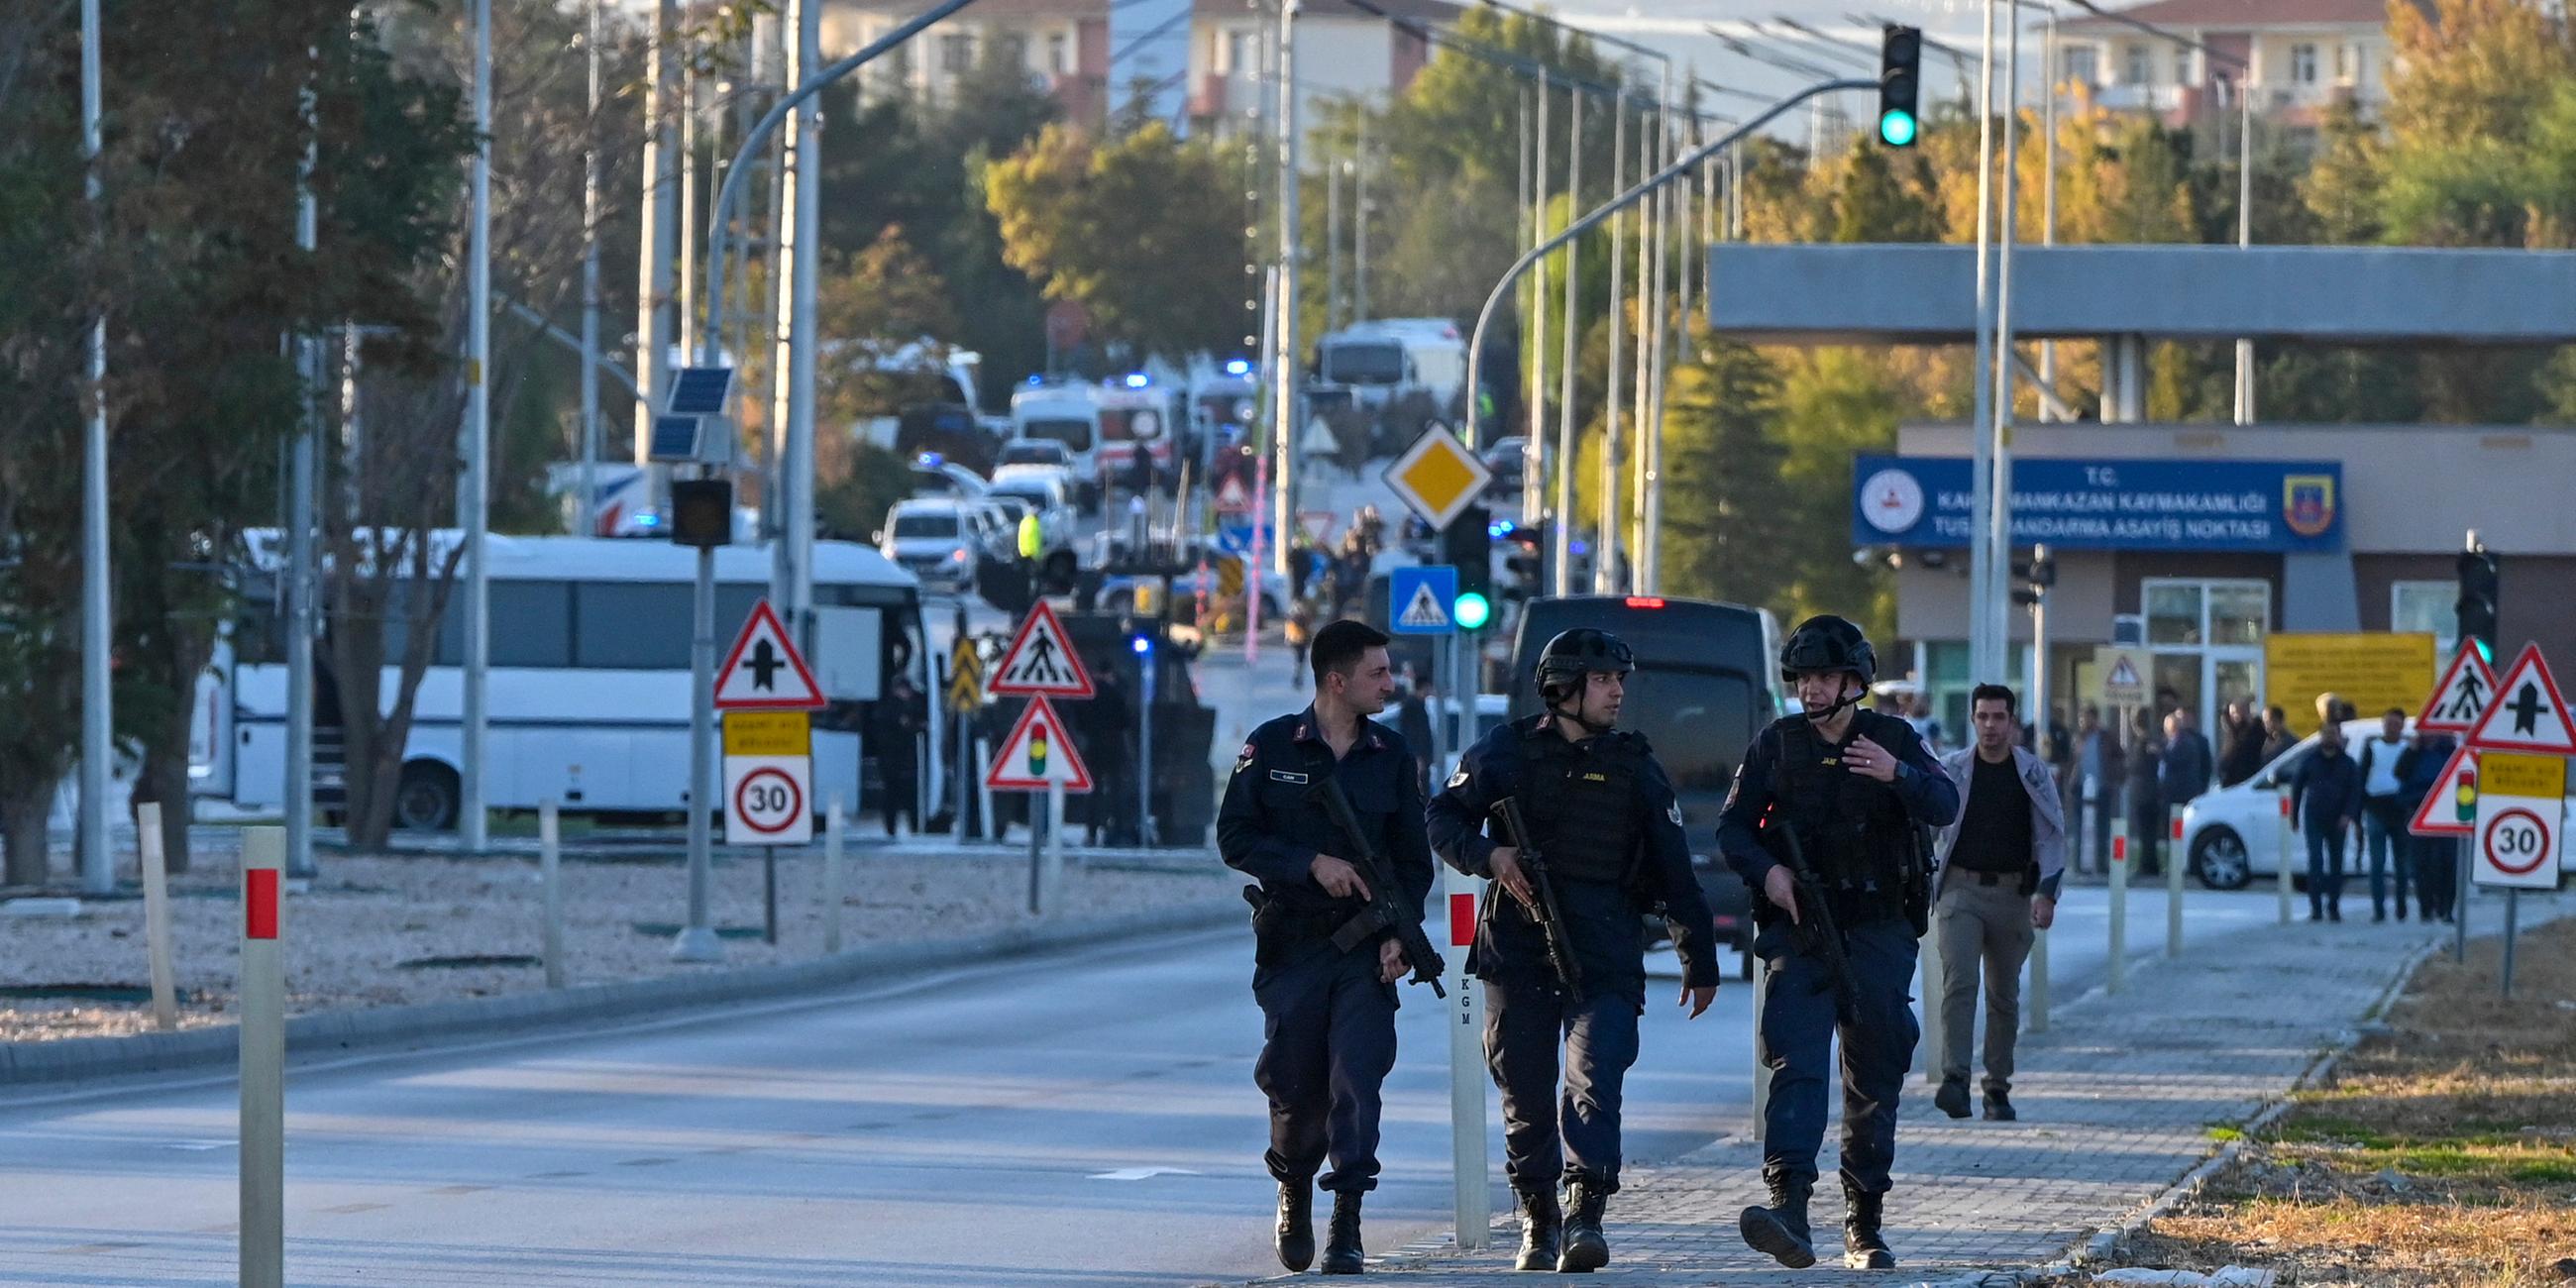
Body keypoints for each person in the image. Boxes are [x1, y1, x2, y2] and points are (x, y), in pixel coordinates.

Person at [1427, 629, 1722, 1272]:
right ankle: (1539, 1220)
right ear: (1564, 688)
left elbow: (1674, 871)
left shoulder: (1635, 765)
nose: (1618, 691)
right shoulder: (1504, 752)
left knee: (1595, 1082)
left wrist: (1698, 958)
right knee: (1525, 1096)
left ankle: (1586, 1211)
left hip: (1606, 952)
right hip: (1518, 950)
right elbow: (1443, 817)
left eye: (1620, 680)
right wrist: (1489, 855)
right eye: (1604, 680)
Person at [1718, 615, 1959, 1271]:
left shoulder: (1892, 738)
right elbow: (1733, 829)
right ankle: (1788, 1206)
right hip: (1801, 930)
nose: (1812, 690)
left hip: (1878, 929)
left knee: (1875, 1071)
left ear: (1854, 681)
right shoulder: (1776, 746)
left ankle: (1864, 1218)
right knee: (1796, 1059)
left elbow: (1944, 801)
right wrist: (1769, 872)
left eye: (1824, 677)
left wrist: (1895, 775)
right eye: (1802, 678)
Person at [1218, 619, 1436, 1275]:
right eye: (1378, 672)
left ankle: (1348, 1221)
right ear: (1337, 681)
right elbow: (1235, 838)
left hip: (1366, 952)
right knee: (1296, 1085)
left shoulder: (1392, 756)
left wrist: (1402, 934)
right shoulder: (1273, 746)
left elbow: (1411, 861)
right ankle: (1293, 1185)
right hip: (1293, 947)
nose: (1390, 683)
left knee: (1356, 1080)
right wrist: (1308, 861)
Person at [1932, 684, 2064, 1124]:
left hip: (2013, 894)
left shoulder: (2031, 774)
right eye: (1983, 717)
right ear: (1972, 720)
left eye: (1999, 718)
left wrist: (2046, 892)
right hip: (1960, 891)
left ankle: (1997, 1087)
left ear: (2012, 722)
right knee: (1960, 981)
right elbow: (1926, 827)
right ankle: (1955, 1079)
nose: (1990, 726)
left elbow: (2051, 834)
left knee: (2003, 995)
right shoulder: (1952, 771)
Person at [2290, 720, 2364, 922]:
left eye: (2333, 733)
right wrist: (2294, 816)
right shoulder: (2309, 760)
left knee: (2336, 864)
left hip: (2338, 819)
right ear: (2320, 735)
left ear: (2339, 736)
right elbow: (2296, 788)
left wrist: (2349, 815)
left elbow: (2355, 792)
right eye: (2326, 733)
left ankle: (2334, 907)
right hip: (2314, 816)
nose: (2329, 737)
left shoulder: (2348, 763)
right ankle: (2315, 909)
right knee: (2315, 861)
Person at [2355, 707, 2414, 921]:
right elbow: (2361, 778)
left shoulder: (2408, 748)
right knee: (2377, 864)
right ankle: (2378, 910)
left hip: (2400, 810)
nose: (2392, 728)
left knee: (2401, 866)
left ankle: (2401, 908)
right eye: (2388, 723)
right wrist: (2357, 814)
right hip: (2375, 809)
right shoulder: (2373, 747)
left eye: (2396, 724)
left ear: (2402, 726)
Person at [2398, 729, 2460, 923]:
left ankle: (2446, 908)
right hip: (2418, 811)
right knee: (2421, 864)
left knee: (2448, 863)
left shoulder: (2449, 751)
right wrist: (2411, 750)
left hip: (2446, 812)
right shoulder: (2414, 753)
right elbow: (2399, 773)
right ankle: (2426, 908)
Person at [869, 678, 925, 836]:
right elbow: (908, 728)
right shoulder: (893, 708)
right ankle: (909, 828)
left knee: (893, 796)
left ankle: (895, 829)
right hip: (897, 760)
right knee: (902, 796)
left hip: (892, 760)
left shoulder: (886, 707)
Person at [2074, 703, 2121, 873]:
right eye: (2082, 718)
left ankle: (2102, 863)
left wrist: (2114, 775)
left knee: (2102, 827)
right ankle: (2080, 863)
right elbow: (2072, 759)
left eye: (2087, 717)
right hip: (2081, 786)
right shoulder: (2079, 737)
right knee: (2080, 826)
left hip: (2102, 786)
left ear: (2094, 718)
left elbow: (2119, 756)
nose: (2084, 721)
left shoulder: (2105, 737)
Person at [2124, 709, 2166, 878]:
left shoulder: (2144, 743)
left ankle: (2147, 865)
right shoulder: (2151, 741)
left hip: (2145, 792)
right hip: (2150, 791)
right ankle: (2150, 864)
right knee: (2148, 832)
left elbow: (2138, 766)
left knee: (2146, 831)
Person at [2160, 709, 2214, 816]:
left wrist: (2160, 753)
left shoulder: (2185, 742)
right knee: (2173, 825)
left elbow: (2175, 761)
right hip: (2174, 793)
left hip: (2180, 793)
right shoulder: (2171, 742)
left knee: (2177, 826)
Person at [2216, 699, 2267, 788]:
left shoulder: (2256, 732)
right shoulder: (2234, 732)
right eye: (2231, 714)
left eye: (2236, 713)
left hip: (2247, 781)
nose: (2234, 717)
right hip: (2230, 783)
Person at [1286, 599, 1318, 687]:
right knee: (1300, 658)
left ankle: (1298, 673)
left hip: (1299, 641)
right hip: (1298, 641)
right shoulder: (1298, 619)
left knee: (1300, 658)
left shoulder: (1293, 619)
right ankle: (1298, 674)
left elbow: (1306, 630)